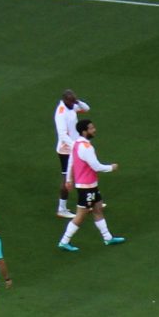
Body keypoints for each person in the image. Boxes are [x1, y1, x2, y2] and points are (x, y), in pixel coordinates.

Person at [57, 118, 125, 250]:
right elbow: (96, 166)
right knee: (81, 216)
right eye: (91, 128)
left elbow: (71, 160)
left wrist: (69, 179)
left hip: (90, 186)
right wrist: (111, 167)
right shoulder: (86, 147)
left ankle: (108, 238)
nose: (94, 130)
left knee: (98, 208)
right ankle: (64, 241)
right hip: (86, 187)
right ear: (84, 131)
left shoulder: (77, 143)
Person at [52, 88, 89, 220]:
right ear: (65, 100)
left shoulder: (71, 106)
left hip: (74, 147)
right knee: (67, 178)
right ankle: (61, 208)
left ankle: (87, 203)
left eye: (74, 100)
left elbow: (86, 108)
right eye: (71, 101)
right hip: (66, 150)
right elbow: (62, 135)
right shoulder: (61, 113)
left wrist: (77, 101)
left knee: (82, 174)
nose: (74, 103)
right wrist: (75, 146)